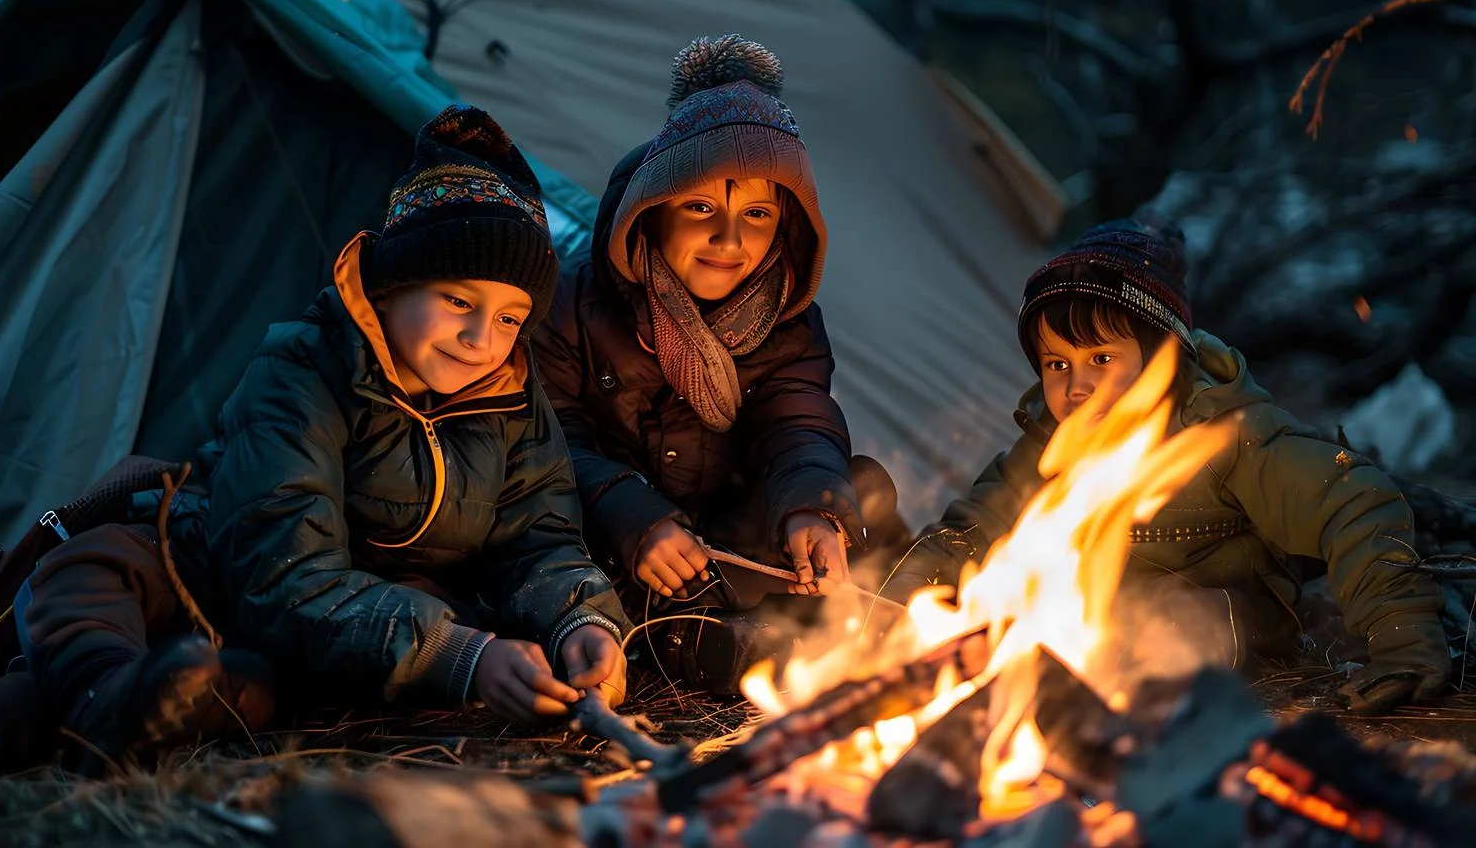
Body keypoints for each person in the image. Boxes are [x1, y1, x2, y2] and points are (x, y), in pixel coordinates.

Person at [0, 105, 630, 796]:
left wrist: (584, 623)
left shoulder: (511, 397)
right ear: (390, 283)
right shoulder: (304, 370)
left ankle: (41, 711)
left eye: (509, 317)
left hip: (362, 634)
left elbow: (542, 535)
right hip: (220, 568)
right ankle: (104, 693)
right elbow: (284, 569)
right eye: (459, 301)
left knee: (250, 688)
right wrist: (460, 655)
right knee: (95, 565)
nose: (480, 339)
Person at [886, 214, 1449, 712]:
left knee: (1147, 621)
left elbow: (1351, 500)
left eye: (1101, 358)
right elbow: (969, 531)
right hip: (1095, 621)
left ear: (1160, 359)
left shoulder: (1223, 433)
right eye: (1057, 364)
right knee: (1032, 624)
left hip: (1227, 617)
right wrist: (893, 613)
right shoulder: (1047, 447)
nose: (1076, 386)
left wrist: (1404, 640)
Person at [534, 35, 906, 692]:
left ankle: (851, 620)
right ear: (653, 210)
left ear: (785, 227)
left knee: (858, 486)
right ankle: (715, 646)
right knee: (580, 565)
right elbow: (551, 438)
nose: (730, 240)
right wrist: (631, 514)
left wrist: (807, 509)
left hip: (731, 536)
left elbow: (796, 422)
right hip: (623, 538)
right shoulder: (576, 301)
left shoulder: (785, 315)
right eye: (701, 208)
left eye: (756, 214)